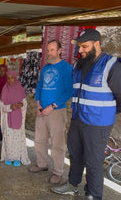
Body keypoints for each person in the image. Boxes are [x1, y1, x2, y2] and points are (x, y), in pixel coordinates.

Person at [52, 29, 121, 200]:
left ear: (97, 44)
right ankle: (72, 185)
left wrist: (107, 112)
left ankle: (94, 195)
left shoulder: (111, 65)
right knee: (75, 155)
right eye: (79, 47)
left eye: (84, 46)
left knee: (93, 162)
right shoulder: (78, 65)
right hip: (78, 119)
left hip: (98, 123)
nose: (80, 50)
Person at [29, 40, 73, 184]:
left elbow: (69, 91)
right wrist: (37, 104)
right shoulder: (45, 68)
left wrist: (52, 106)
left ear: (60, 51)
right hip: (41, 110)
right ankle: (42, 164)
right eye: (48, 50)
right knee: (39, 140)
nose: (49, 53)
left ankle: (58, 172)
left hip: (56, 111)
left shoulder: (66, 68)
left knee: (58, 143)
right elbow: (40, 86)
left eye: (52, 50)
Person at [0, 70, 30, 167]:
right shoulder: (5, 89)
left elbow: (25, 103)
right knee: (8, 138)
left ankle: (17, 158)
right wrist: (10, 107)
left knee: (17, 138)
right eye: (8, 78)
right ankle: (8, 157)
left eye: (12, 78)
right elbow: (1, 106)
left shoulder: (20, 89)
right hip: (8, 118)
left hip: (18, 118)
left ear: (15, 78)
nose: (10, 80)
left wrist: (21, 104)